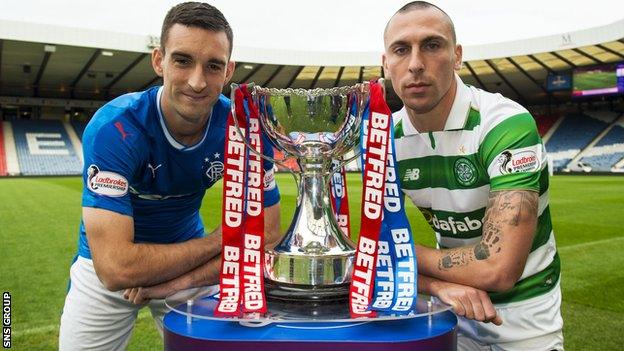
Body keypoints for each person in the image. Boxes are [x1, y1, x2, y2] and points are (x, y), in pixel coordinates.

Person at [58, 3, 281, 350]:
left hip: (191, 269)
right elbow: (115, 268)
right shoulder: (115, 128)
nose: (197, 81)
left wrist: (182, 281)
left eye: (213, 66)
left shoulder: (245, 128)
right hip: (105, 275)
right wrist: (222, 239)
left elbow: (265, 237)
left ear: (228, 71)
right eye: (182, 60)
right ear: (159, 60)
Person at [383, 2, 563, 350]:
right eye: (401, 49)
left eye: (432, 45)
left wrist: (396, 251)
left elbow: (499, 269)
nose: (416, 64)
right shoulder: (386, 138)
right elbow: (363, 261)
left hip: (527, 315)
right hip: (452, 305)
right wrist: (436, 286)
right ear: (386, 62)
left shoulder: (504, 124)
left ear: (457, 56)